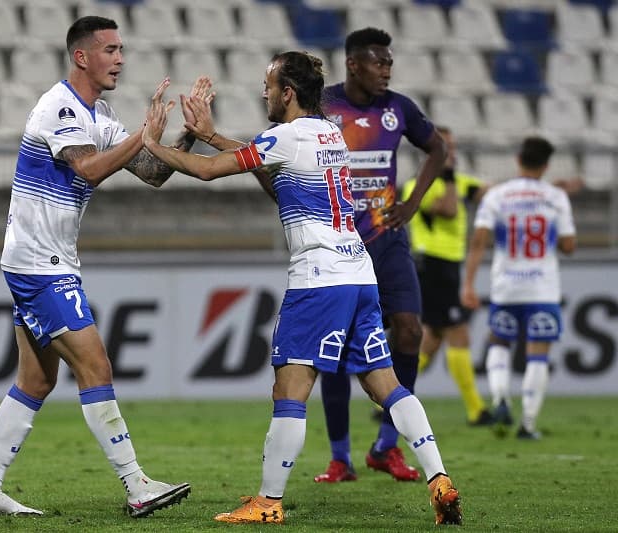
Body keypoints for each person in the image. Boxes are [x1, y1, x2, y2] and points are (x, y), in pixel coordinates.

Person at [142, 50, 462, 526]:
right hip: (359, 275)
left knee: (289, 389)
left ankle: (268, 502)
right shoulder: (329, 133)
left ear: (288, 92)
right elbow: (263, 156)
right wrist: (209, 135)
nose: (264, 92)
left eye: (269, 85)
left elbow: (212, 170)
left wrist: (153, 144)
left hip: (318, 281)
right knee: (387, 385)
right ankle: (439, 478)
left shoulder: (285, 137)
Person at [0, 16, 212, 518]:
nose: (120, 59)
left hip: (48, 259)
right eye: (111, 50)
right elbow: (89, 167)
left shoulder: (98, 112)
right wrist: (143, 135)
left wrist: (186, 134)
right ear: (82, 56)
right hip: (38, 262)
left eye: (122, 50)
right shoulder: (59, 107)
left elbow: (152, 172)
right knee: (95, 366)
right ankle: (136, 483)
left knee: (35, 381)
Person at [314, 27, 448, 483]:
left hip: (388, 241)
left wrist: (412, 203)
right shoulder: (325, 105)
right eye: (378, 62)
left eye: (389, 63)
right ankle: (339, 457)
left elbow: (438, 148)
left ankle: (387, 446)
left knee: (409, 331)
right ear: (353, 64)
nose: (386, 70)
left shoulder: (399, 109)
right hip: (338, 243)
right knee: (332, 349)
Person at [461, 136, 576, 440]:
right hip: (543, 288)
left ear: (518, 159)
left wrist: (469, 283)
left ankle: (500, 399)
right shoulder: (556, 197)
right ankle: (527, 424)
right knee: (538, 354)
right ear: (547, 165)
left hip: (506, 287)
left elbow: (479, 241)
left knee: (498, 342)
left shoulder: (498, 196)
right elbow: (568, 245)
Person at [402, 126, 494, 426]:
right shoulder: (417, 186)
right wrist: (451, 175)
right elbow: (451, 210)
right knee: (457, 331)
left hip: (448, 267)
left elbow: (488, 193)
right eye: (445, 148)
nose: (451, 153)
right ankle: (476, 410)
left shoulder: (458, 182)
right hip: (433, 266)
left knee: (430, 340)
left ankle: (387, 399)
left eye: (453, 148)